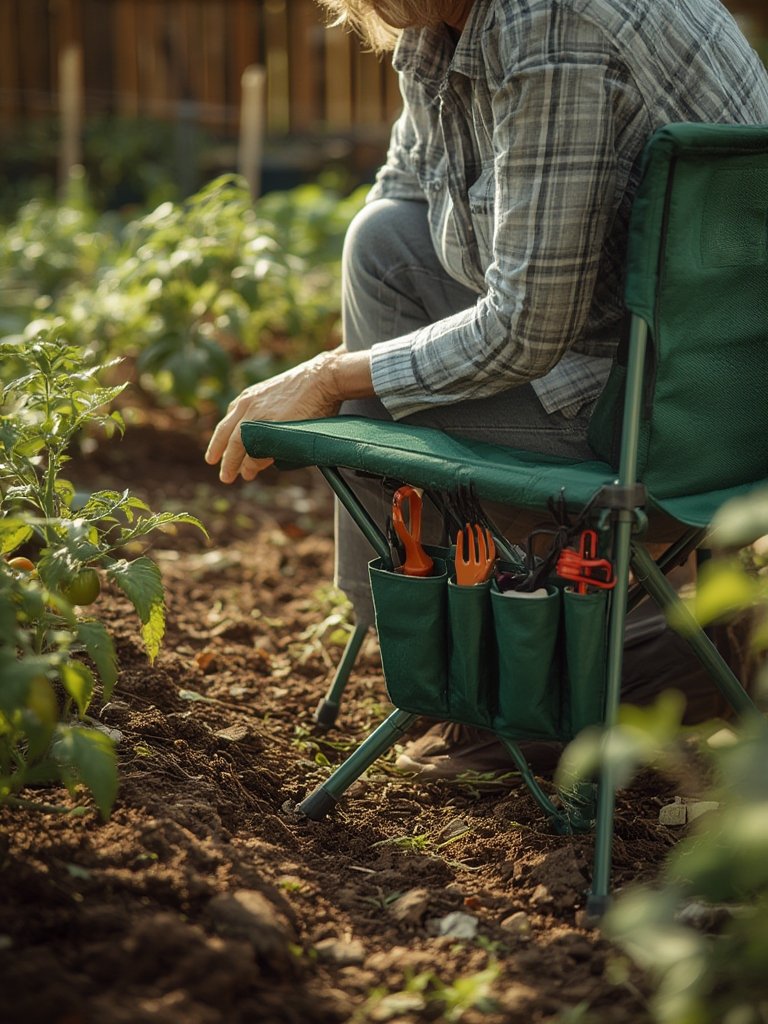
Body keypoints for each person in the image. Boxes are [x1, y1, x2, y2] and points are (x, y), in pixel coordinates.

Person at [206, 0, 768, 778]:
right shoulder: (443, 27)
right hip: (680, 376)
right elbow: (404, 188)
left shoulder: (551, 28)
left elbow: (525, 330)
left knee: (368, 412)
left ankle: (492, 688)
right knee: (383, 241)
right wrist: (358, 367)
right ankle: (598, 642)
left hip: (668, 426)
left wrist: (333, 377)